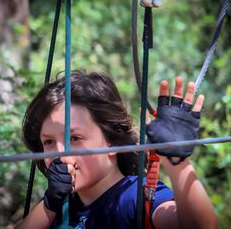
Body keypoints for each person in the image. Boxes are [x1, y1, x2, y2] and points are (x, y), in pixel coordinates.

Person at [16, 70, 218, 229]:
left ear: (112, 142)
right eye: (49, 142)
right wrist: (49, 204)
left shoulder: (137, 195)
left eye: (75, 138)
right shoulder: (57, 203)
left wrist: (177, 163)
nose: (59, 154)